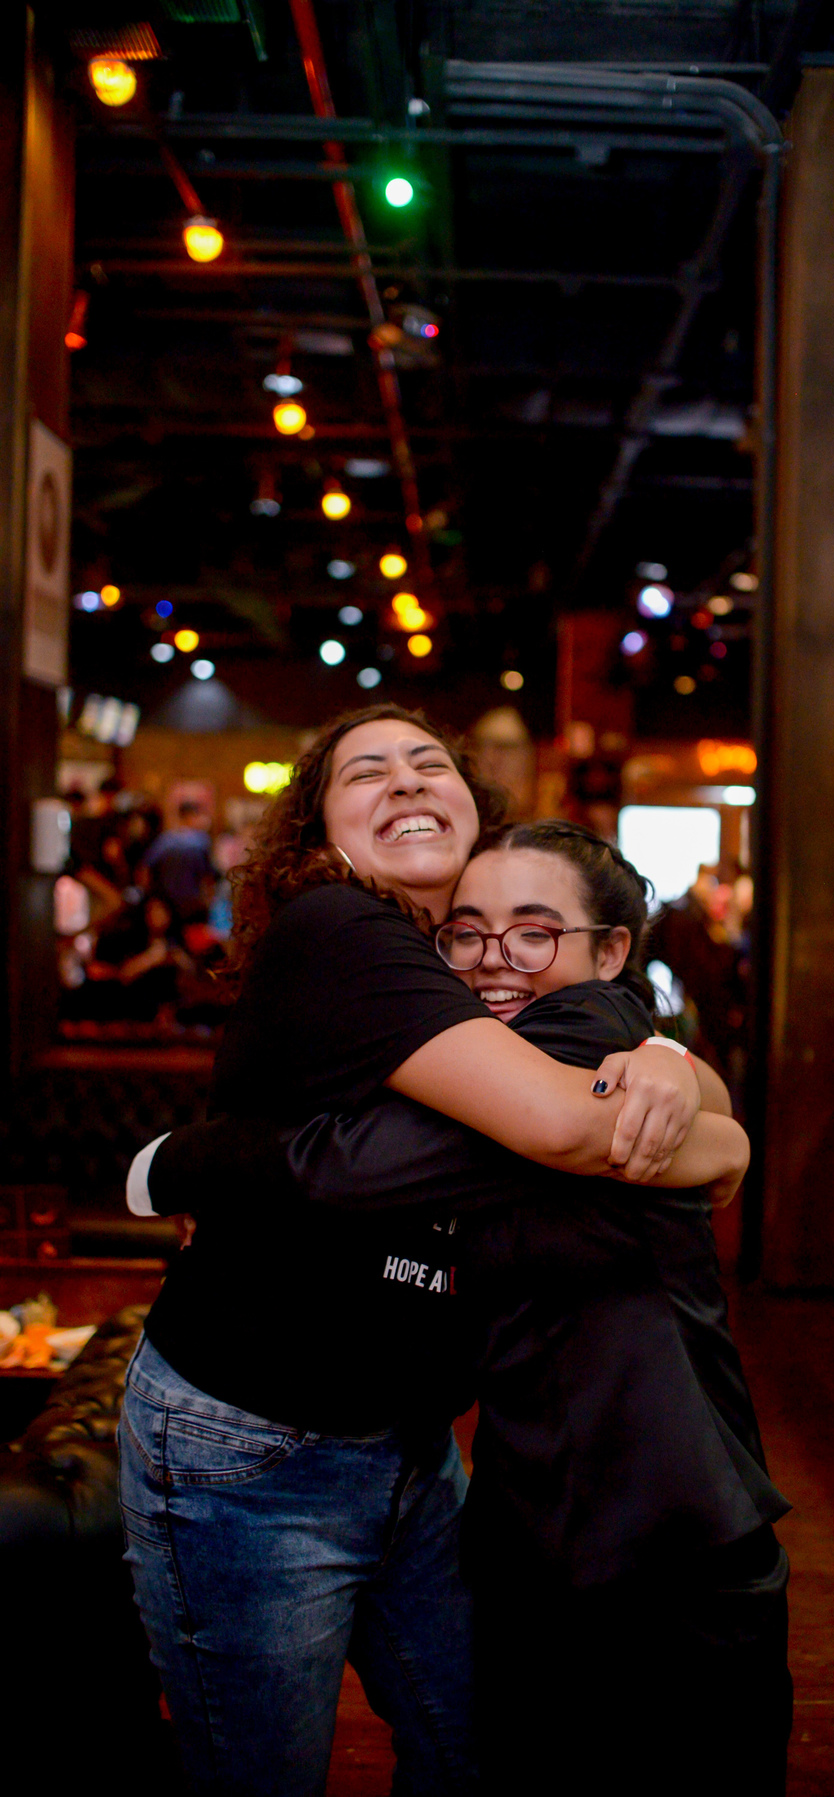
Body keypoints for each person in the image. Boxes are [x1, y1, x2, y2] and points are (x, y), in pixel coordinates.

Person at [117, 705, 743, 1797]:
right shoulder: (340, 927)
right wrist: (712, 1136)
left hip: (409, 1441)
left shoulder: (466, 967)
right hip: (254, 1443)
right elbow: (562, 1127)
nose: (406, 780)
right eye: (366, 772)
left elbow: (606, 1081)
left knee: (473, 1756)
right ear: (318, 835)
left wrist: (679, 1076)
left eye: (429, 763)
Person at [142, 798, 216, 922]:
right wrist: (208, 901)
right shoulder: (201, 841)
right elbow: (208, 877)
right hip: (192, 904)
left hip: (168, 906)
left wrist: (149, 896)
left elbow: (145, 869)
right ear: (191, 816)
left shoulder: (164, 840)